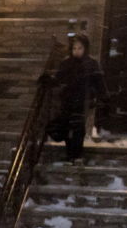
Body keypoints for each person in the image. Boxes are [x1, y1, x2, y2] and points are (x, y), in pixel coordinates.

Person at [43, 32, 108, 163]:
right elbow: (59, 79)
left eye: (80, 48)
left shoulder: (91, 64)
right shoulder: (66, 63)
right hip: (67, 98)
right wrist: (48, 80)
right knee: (66, 126)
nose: (77, 51)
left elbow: (98, 81)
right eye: (74, 48)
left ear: (85, 49)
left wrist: (103, 96)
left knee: (78, 128)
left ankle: (77, 155)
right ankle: (69, 153)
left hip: (83, 100)